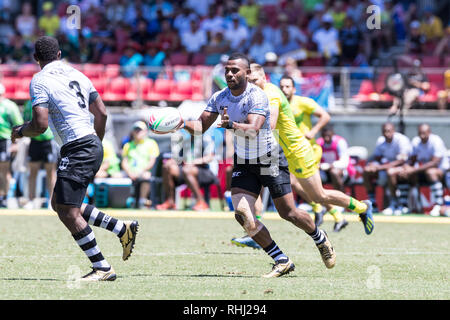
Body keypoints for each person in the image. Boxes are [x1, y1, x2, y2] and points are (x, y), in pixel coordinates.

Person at [176, 53, 337, 277]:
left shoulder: (258, 96)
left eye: (235, 70)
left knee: (288, 213)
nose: (230, 74)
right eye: (227, 70)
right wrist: (181, 123)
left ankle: (319, 237)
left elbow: (255, 129)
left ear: (247, 73)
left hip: (269, 157)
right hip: (244, 161)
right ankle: (281, 260)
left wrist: (230, 124)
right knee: (242, 215)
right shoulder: (219, 97)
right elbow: (201, 126)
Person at [11, 36, 138, 281]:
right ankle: (120, 228)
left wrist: (20, 131)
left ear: (36, 59)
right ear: (59, 55)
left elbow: (39, 125)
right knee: (60, 204)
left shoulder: (40, 80)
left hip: (78, 147)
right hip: (89, 143)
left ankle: (102, 268)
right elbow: (101, 113)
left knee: (68, 212)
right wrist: (96, 142)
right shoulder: (79, 75)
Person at [247, 63, 373, 235]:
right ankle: (254, 230)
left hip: (298, 151)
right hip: (287, 152)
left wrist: (241, 126)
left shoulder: (271, 94)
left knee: (319, 195)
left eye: (254, 80)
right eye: (249, 81)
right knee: (264, 182)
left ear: (264, 78)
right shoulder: (261, 94)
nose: (252, 84)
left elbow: (271, 124)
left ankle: (361, 207)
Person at [279, 75, 348, 232]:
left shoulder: (302, 102)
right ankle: (330, 213)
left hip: (308, 150)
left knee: (311, 189)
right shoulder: (278, 105)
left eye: (288, 86)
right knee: (298, 185)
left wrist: (313, 131)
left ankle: (328, 211)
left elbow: (325, 116)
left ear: (294, 89)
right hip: (292, 152)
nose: (284, 89)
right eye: (282, 86)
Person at [156, 128, 217, 211]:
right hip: (186, 170)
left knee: (187, 169)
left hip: (205, 171)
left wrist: (194, 162)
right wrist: (173, 161)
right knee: (167, 166)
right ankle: (170, 201)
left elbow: (210, 157)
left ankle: (201, 202)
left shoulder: (205, 139)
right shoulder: (185, 141)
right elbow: (179, 158)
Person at [396, 124, 449, 216]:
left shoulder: (436, 141)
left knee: (430, 172)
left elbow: (435, 163)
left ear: (429, 132)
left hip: (441, 172)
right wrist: (406, 168)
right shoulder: (416, 141)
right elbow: (412, 160)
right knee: (403, 173)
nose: (422, 136)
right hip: (422, 172)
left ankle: (438, 205)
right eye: (420, 133)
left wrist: (414, 170)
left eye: (424, 133)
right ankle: (404, 206)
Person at [363, 123, 412, 215]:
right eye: (384, 132)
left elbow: (401, 160)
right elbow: (377, 157)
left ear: (394, 131)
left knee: (391, 172)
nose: (387, 134)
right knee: (367, 171)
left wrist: (380, 167)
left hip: (404, 167)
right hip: (386, 168)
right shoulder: (381, 141)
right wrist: (372, 164)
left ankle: (395, 204)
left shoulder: (402, 140)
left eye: (389, 131)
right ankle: (373, 204)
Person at [23, 99, 57, 210]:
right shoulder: (29, 104)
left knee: (50, 173)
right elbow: (26, 120)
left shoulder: (49, 102)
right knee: (33, 171)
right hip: (34, 141)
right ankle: (31, 200)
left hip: (48, 140)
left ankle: (51, 202)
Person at [121, 120, 160, 209]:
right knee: (116, 176)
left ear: (145, 132)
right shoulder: (127, 145)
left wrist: (140, 171)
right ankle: (123, 201)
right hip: (130, 172)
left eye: (140, 130)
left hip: (144, 171)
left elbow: (152, 162)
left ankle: (142, 201)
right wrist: (130, 172)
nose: (138, 132)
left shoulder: (151, 143)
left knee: (146, 176)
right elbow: (124, 162)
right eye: (136, 130)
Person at [0, 83, 23, 208]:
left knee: (3, 170)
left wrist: (16, 143)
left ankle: (4, 197)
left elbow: (18, 125)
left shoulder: (9, 106)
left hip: (4, 140)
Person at [316, 125, 355, 194]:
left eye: (328, 135)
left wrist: (330, 166)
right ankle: (313, 201)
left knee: (334, 172)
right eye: (324, 135)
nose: (326, 138)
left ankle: (342, 197)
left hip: (343, 172)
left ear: (332, 134)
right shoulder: (318, 143)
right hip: (324, 172)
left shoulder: (340, 142)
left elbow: (344, 163)